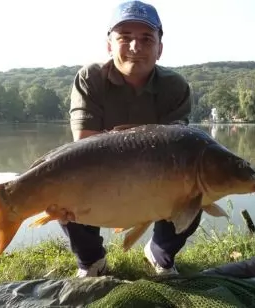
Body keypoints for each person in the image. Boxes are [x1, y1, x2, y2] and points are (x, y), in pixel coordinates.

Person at [60, 0, 201, 278]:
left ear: (160, 48)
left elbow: (178, 154)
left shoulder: (175, 86)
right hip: (100, 173)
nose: (136, 47)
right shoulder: (90, 78)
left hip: (157, 177)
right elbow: (84, 146)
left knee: (194, 192)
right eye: (125, 38)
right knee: (66, 185)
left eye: (146, 38)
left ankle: (160, 252)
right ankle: (92, 261)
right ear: (109, 45)